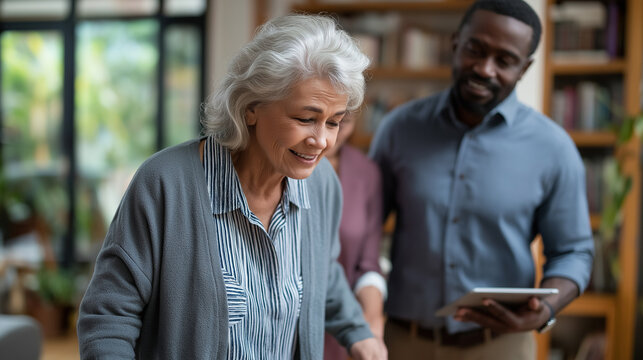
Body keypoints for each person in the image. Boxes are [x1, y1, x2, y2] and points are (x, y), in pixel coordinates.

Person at [77, 14, 387, 360]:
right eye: (305, 118)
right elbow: (107, 319)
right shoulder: (164, 183)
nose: (322, 141)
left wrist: (358, 333)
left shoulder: (322, 183)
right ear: (251, 107)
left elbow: (322, 275)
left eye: (334, 122)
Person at [369, 1, 594, 359]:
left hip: (500, 346)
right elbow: (364, 230)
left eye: (504, 61)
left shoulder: (554, 148)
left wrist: (545, 309)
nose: (484, 69)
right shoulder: (400, 129)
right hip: (402, 342)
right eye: (476, 50)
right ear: (456, 43)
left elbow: (573, 252)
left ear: (525, 68)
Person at [323, 113, 387, 360]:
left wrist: (371, 326)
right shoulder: (286, 164)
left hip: (341, 329)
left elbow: (368, 265)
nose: (330, 135)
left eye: (343, 123)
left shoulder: (366, 172)